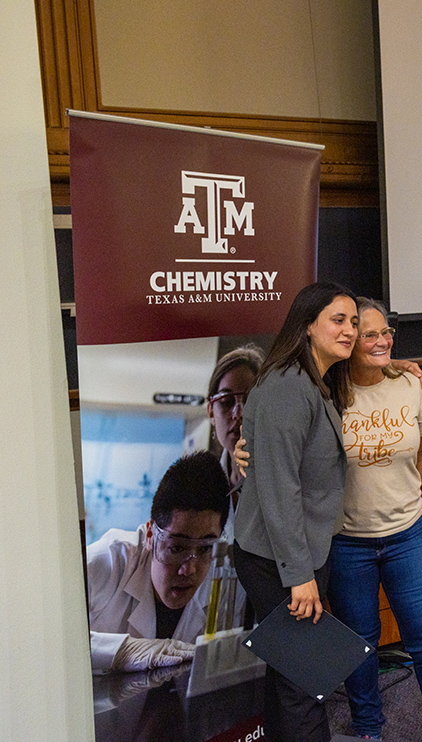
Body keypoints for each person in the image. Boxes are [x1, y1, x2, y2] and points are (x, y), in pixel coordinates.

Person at [327, 297, 422, 742]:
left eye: (387, 333)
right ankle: (367, 728)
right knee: (360, 644)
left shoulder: (408, 384)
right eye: (370, 334)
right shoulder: (326, 390)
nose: (382, 341)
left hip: (408, 534)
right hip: (347, 542)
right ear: (347, 340)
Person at [234, 281, 359, 742]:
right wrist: (298, 575)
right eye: (338, 320)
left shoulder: (315, 380)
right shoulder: (289, 387)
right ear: (307, 326)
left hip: (301, 552)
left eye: (354, 323)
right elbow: (279, 488)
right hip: (278, 560)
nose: (349, 331)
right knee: (306, 678)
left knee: (289, 671)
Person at [87, 451, 230, 672]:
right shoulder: (108, 561)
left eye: (204, 548)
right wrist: (121, 651)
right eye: (176, 548)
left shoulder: (221, 584)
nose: (189, 569)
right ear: (151, 536)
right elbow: (41, 636)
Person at [206, 345, 264, 530]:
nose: (238, 413)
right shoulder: (202, 487)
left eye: (251, 400)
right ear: (211, 413)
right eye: (226, 402)